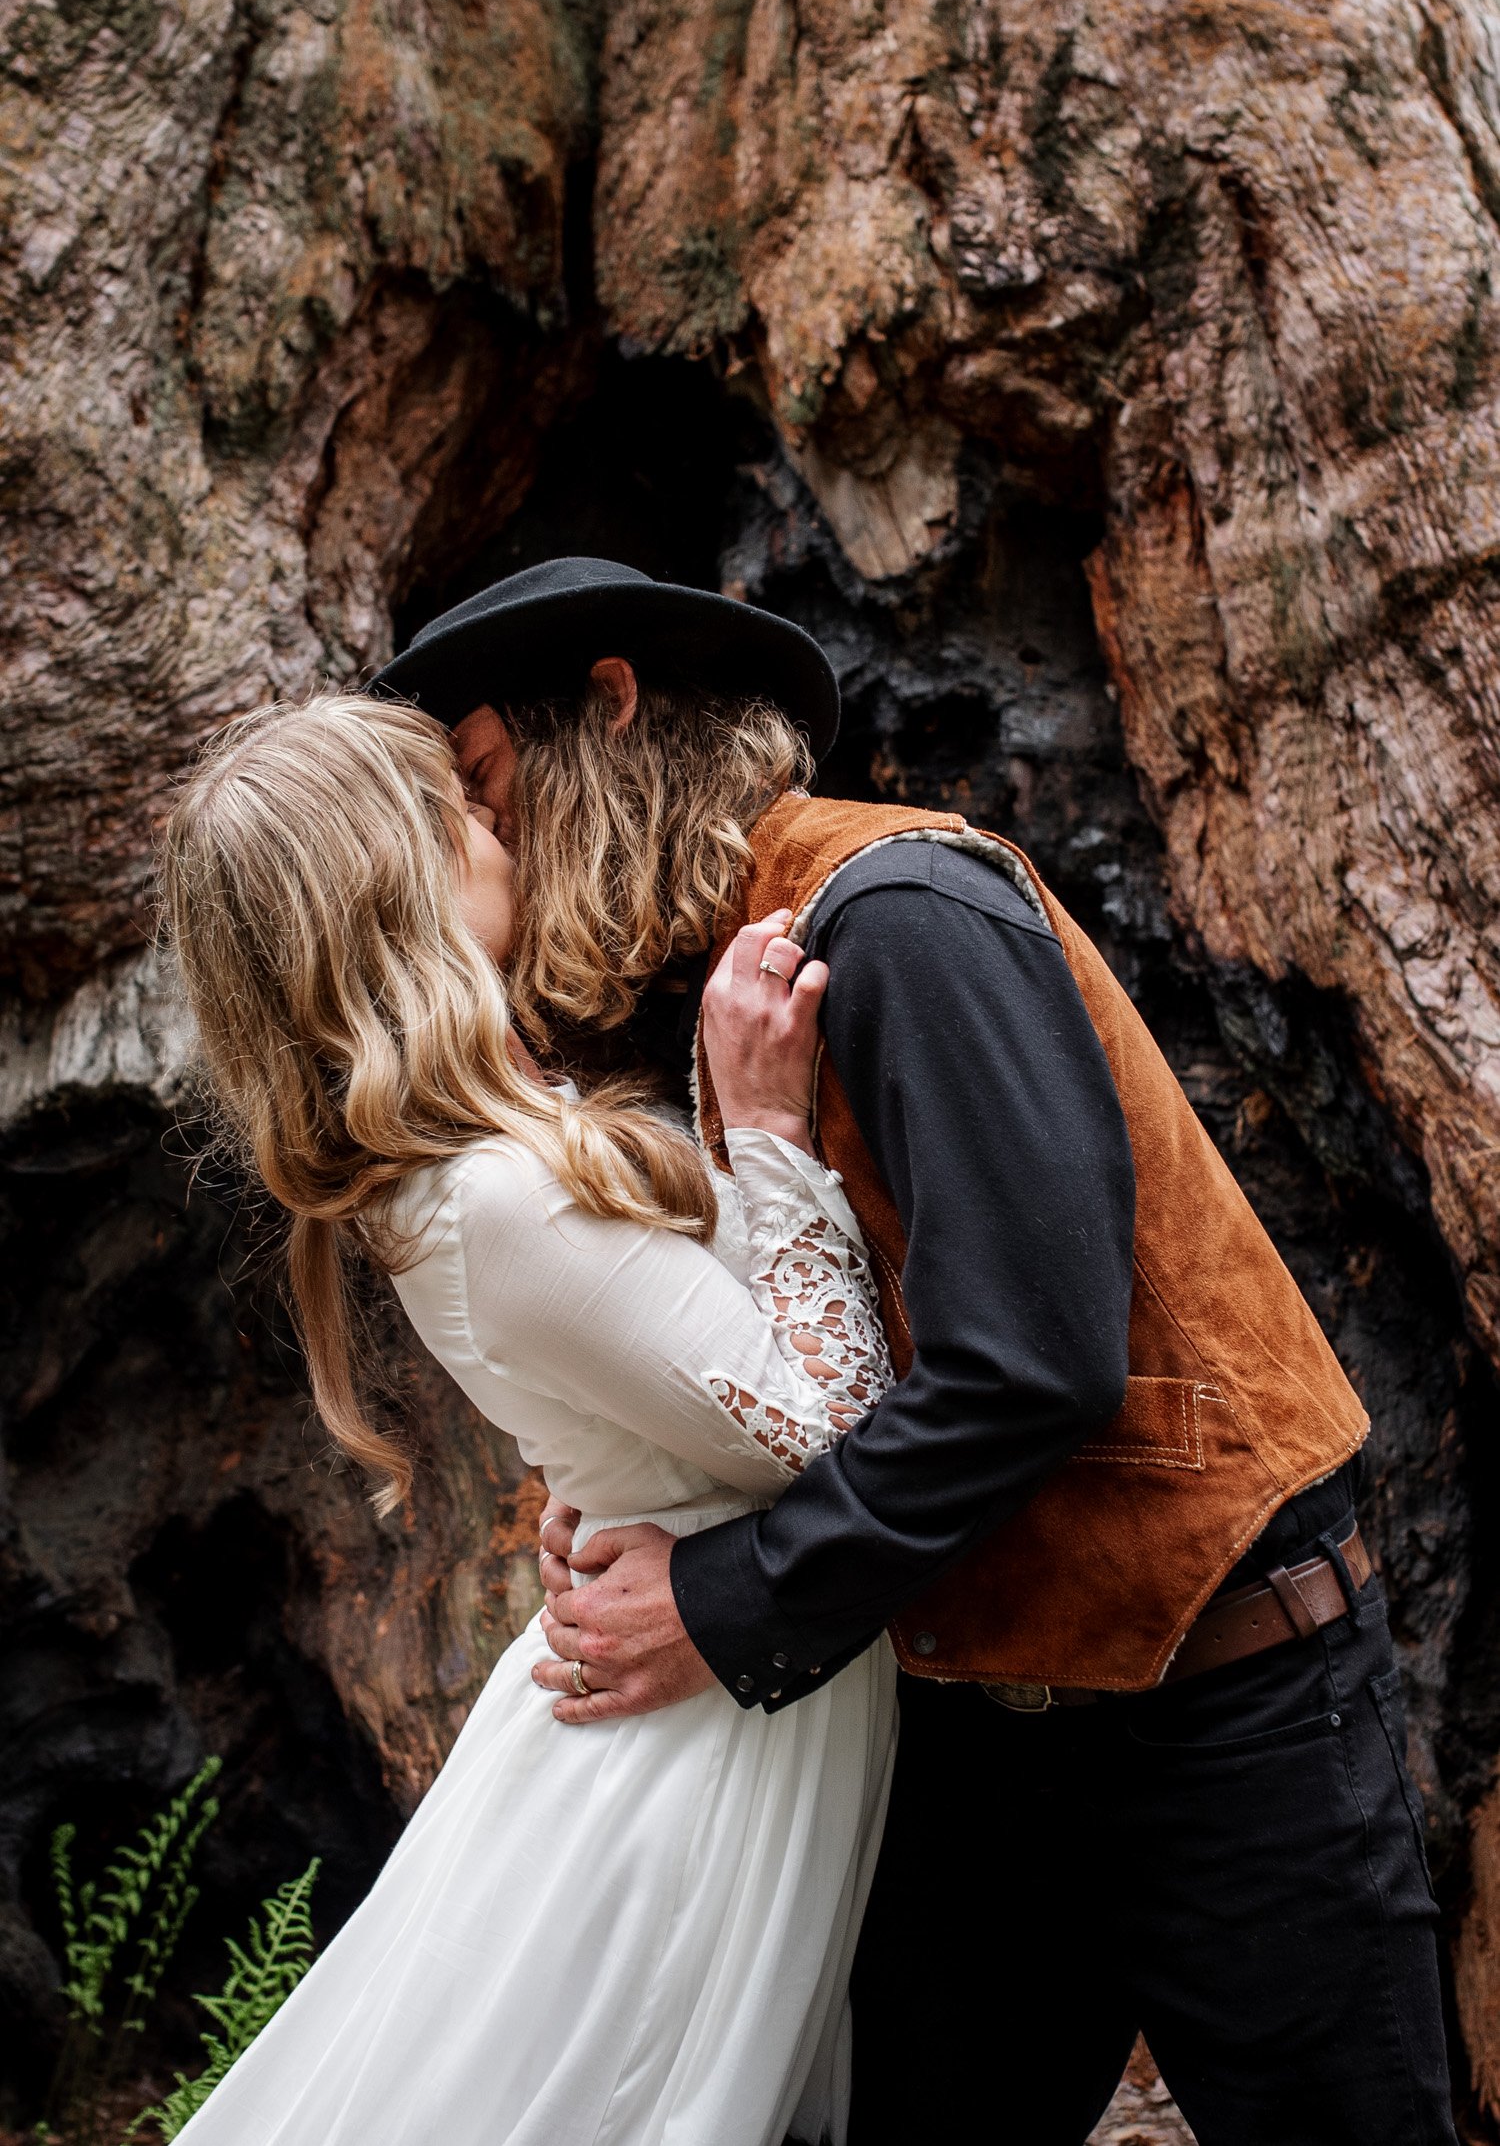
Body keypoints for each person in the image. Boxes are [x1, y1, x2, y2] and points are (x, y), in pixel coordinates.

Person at [375, 554, 1460, 2146]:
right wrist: (643, 1489)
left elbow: (1029, 1360)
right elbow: (781, 1355)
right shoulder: (687, 990)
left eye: (483, 787)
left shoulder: (898, 913)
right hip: (965, 1746)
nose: (486, 851)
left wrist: (720, 1599)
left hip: (1230, 1714)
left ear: (607, 711)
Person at [159, 693, 900, 2146]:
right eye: (459, 809)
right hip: (685, 1764)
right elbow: (844, 1433)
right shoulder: (502, 1195)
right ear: (398, 881)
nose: (499, 819)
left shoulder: (464, 1168)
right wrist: (763, 1130)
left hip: (705, 1690)